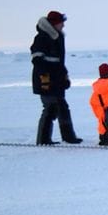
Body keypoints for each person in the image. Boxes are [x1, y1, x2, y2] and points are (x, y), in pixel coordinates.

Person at [30, 11, 82, 145]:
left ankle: (67, 137)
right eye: (61, 22)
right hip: (46, 82)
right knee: (51, 108)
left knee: (60, 108)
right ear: (54, 24)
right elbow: (37, 60)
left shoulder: (57, 37)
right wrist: (45, 79)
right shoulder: (42, 38)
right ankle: (44, 139)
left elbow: (59, 63)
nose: (63, 25)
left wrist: (64, 77)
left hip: (57, 81)